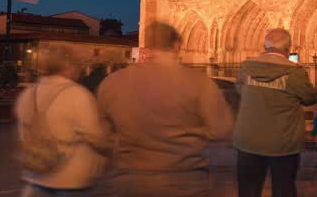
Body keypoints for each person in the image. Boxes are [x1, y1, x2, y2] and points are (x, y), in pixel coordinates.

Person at [96, 21, 234, 196]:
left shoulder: (112, 82)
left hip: (128, 182)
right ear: (176, 45)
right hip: (182, 182)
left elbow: (99, 135)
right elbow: (221, 130)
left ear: (147, 46)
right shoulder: (199, 82)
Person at [232, 28, 317, 197]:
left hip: (248, 140)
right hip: (283, 143)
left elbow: (240, 91)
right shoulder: (295, 72)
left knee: (248, 190)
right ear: (288, 49)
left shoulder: (246, 67)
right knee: (283, 189)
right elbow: (310, 98)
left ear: (265, 47)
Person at [13, 45, 110, 196]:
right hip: (70, 178)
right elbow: (96, 137)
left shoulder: (28, 93)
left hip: (35, 174)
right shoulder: (77, 94)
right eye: (77, 65)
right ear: (68, 66)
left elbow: (23, 132)